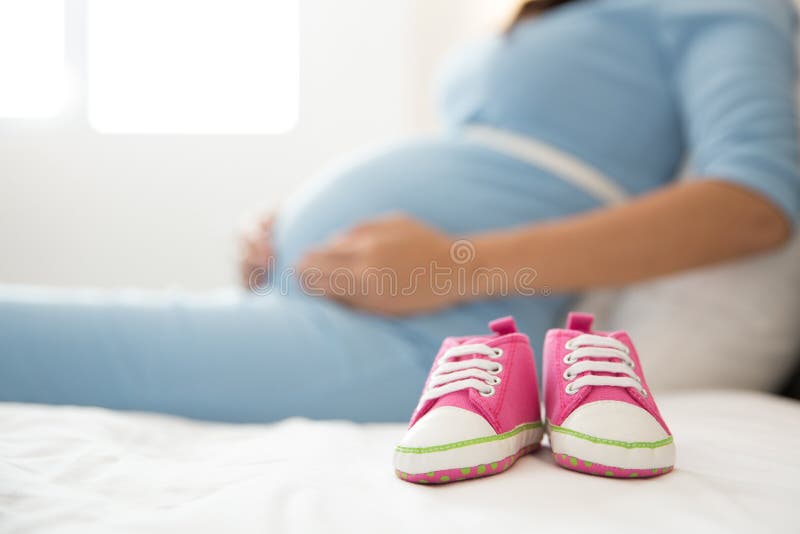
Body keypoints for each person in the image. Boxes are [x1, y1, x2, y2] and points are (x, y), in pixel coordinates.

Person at [1, 0, 797, 423]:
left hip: (447, 337)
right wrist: (299, 238)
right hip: (376, 306)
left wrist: (455, 264)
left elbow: (755, 204)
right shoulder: (545, 19)